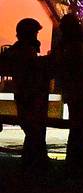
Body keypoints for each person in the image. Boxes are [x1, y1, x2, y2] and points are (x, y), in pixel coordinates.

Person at [52, 13, 83, 176]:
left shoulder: (63, 46)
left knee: (76, 129)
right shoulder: (75, 46)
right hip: (80, 92)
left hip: (72, 92)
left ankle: (74, 163)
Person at [0, 18, 50, 170]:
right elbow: (33, 67)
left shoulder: (18, 49)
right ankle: (35, 161)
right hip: (29, 93)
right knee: (34, 128)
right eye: (35, 32)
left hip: (24, 92)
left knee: (32, 128)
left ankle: (31, 160)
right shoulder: (26, 50)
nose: (36, 35)